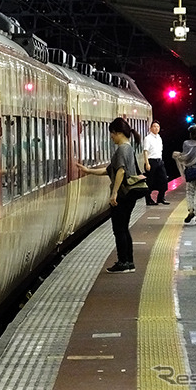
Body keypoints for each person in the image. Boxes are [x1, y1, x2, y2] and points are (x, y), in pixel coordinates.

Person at [77, 117, 142, 274]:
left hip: (122, 196)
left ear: (118, 133)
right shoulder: (128, 148)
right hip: (128, 195)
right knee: (124, 228)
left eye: (112, 134)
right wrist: (88, 171)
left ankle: (123, 261)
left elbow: (120, 171)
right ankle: (129, 262)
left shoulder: (122, 149)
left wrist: (114, 194)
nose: (111, 137)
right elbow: (109, 170)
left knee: (119, 229)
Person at [142, 120, 169, 206]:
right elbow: (145, 151)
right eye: (154, 126)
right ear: (150, 128)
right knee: (150, 182)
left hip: (159, 161)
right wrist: (147, 163)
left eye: (158, 126)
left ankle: (160, 198)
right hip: (151, 161)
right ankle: (148, 199)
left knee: (164, 180)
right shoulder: (148, 138)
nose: (156, 128)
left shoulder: (159, 137)